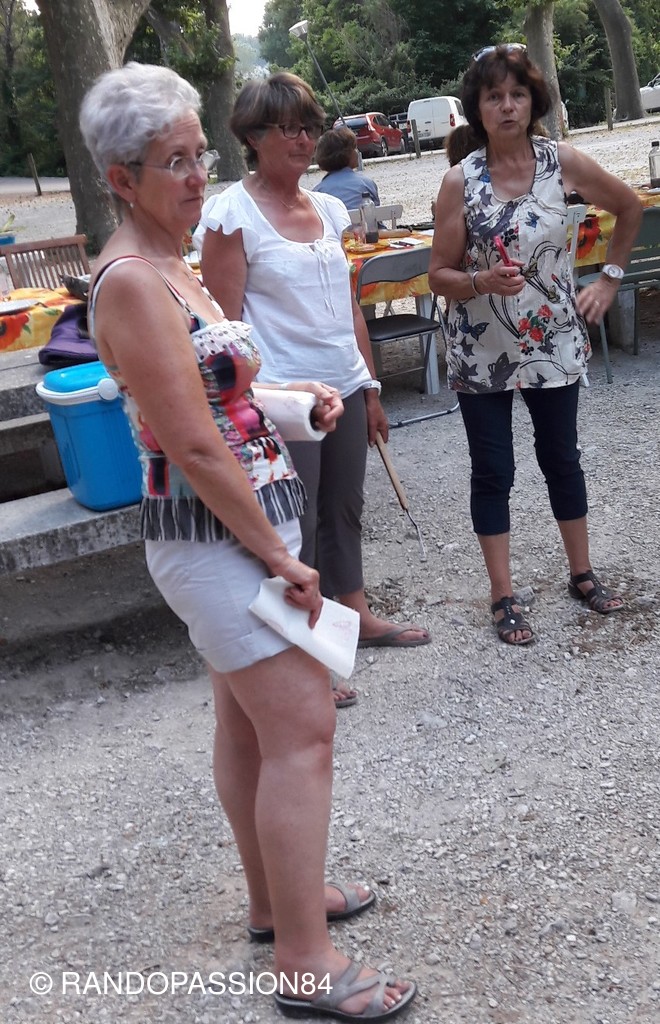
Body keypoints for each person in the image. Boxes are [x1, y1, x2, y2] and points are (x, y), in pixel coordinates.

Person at [79, 62, 416, 1022]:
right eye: (175, 162)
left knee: (246, 727)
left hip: (232, 527)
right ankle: (305, 962)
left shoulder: (171, 262)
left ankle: (277, 906)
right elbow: (187, 442)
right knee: (304, 730)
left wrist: (287, 400)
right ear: (121, 178)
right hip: (217, 537)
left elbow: (210, 398)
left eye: (200, 156)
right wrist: (279, 554)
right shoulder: (132, 281)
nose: (198, 177)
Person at [194, 71, 430, 667]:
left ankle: (356, 613)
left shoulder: (327, 208)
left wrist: (370, 388)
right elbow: (223, 328)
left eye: (310, 128)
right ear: (252, 136)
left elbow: (348, 307)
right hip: (282, 396)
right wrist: (252, 403)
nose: (303, 140)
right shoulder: (231, 215)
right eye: (288, 128)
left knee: (345, 505)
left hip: (343, 382)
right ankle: (306, 643)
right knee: (293, 518)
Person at [428, 44, 642, 645]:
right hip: (481, 350)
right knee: (493, 471)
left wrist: (609, 279)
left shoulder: (561, 162)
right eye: (494, 96)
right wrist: (479, 281)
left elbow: (628, 206)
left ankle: (582, 574)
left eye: (517, 94)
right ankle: (502, 594)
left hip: (553, 342)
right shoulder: (459, 181)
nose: (507, 106)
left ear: (533, 102)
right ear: (476, 108)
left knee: (562, 459)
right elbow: (438, 275)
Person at [313, 125, 380, 210]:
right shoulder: (367, 184)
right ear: (348, 154)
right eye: (354, 148)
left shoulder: (317, 193)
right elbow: (376, 215)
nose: (357, 152)